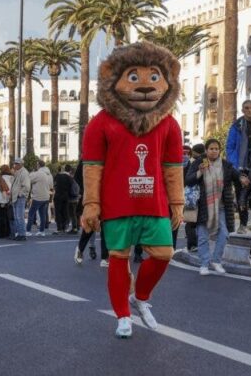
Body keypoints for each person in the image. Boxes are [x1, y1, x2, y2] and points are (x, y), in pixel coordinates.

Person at [80, 42, 184, 338]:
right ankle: (122, 316)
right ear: (112, 77)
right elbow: (93, 167)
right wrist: (91, 204)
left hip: (155, 204)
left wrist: (177, 202)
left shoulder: (169, 124)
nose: (145, 86)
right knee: (118, 257)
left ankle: (140, 298)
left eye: (154, 76)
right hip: (117, 204)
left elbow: (173, 167)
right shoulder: (100, 123)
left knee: (164, 254)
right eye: (134, 77)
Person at [185, 139, 241, 275]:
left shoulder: (225, 165)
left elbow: (237, 177)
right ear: (206, 150)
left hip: (221, 206)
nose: (214, 151)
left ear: (219, 150)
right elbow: (188, 180)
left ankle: (216, 261)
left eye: (216, 149)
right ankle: (204, 264)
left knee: (224, 234)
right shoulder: (200, 162)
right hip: (203, 206)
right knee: (203, 237)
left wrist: (243, 178)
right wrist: (200, 172)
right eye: (211, 148)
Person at [224, 99, 251, 266]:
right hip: (241, 166)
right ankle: (242, 223)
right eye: (246, 108)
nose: (249, 110)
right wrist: (236, 167)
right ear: (242, 110)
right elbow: (230, 147)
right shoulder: (236, 126)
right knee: (242, 196)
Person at [182, 143, 205, 252]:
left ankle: (192, 245)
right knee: (196, 222)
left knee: (190, 221)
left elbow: (187, 180)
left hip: (191, 196)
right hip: (200, 195)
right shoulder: (206, 161)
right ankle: (195, 244)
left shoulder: (193, 162)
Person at [28, 161, 53, 236]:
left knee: (31, 214)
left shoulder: (38, 173)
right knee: (43, 215)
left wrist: (32, 173)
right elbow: (51, 186)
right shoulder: (49, 174)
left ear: (38, 165)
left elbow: (29, 179)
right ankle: (42, 231)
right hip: (46, 196)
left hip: (38, 196)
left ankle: (28, 230)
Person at [10, 159, 30, 241]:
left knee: (19, 216)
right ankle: (19, 233)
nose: (15, 165)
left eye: (16, 164)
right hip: (16, 197)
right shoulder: (18, 172)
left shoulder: (24, 173)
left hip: (20, 197)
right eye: (15, 164)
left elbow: (26, 186)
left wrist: (20, 194)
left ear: (21, 164)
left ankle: (22, 234)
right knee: (17, 217)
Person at [0, 165, 14, 239]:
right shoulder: (12, 178)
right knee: (6, 217)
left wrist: (3, 200)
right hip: (8, 199)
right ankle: (7, 232)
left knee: (0, 218)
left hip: (1, 200)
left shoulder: (2, 178)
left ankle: (1, 233)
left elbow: (3, 189)